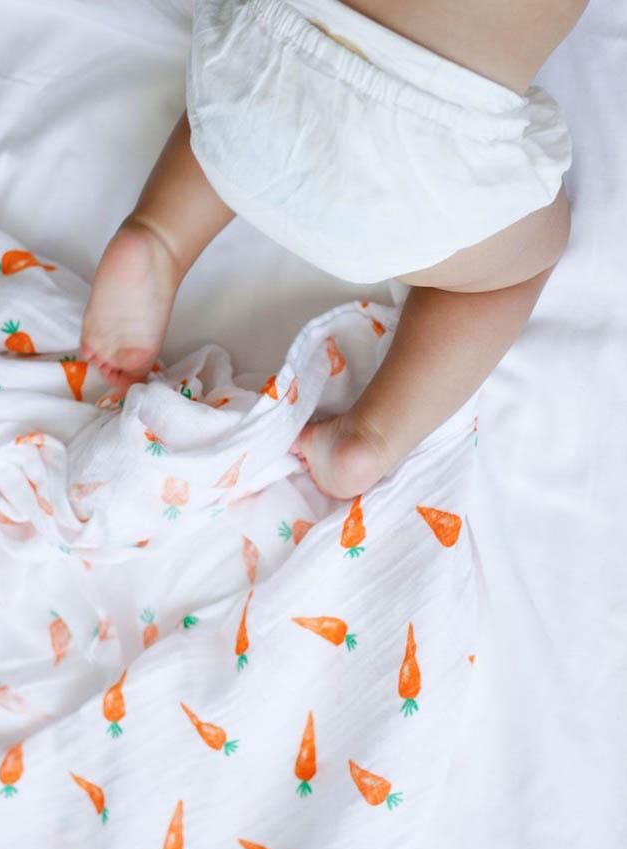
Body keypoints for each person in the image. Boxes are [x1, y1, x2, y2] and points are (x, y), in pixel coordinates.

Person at [81, 0, 587, 498]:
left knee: (251, 102)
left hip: (263, 63)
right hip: (417, 170)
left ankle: (161, 236)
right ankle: (371, 436)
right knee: (518, 263)